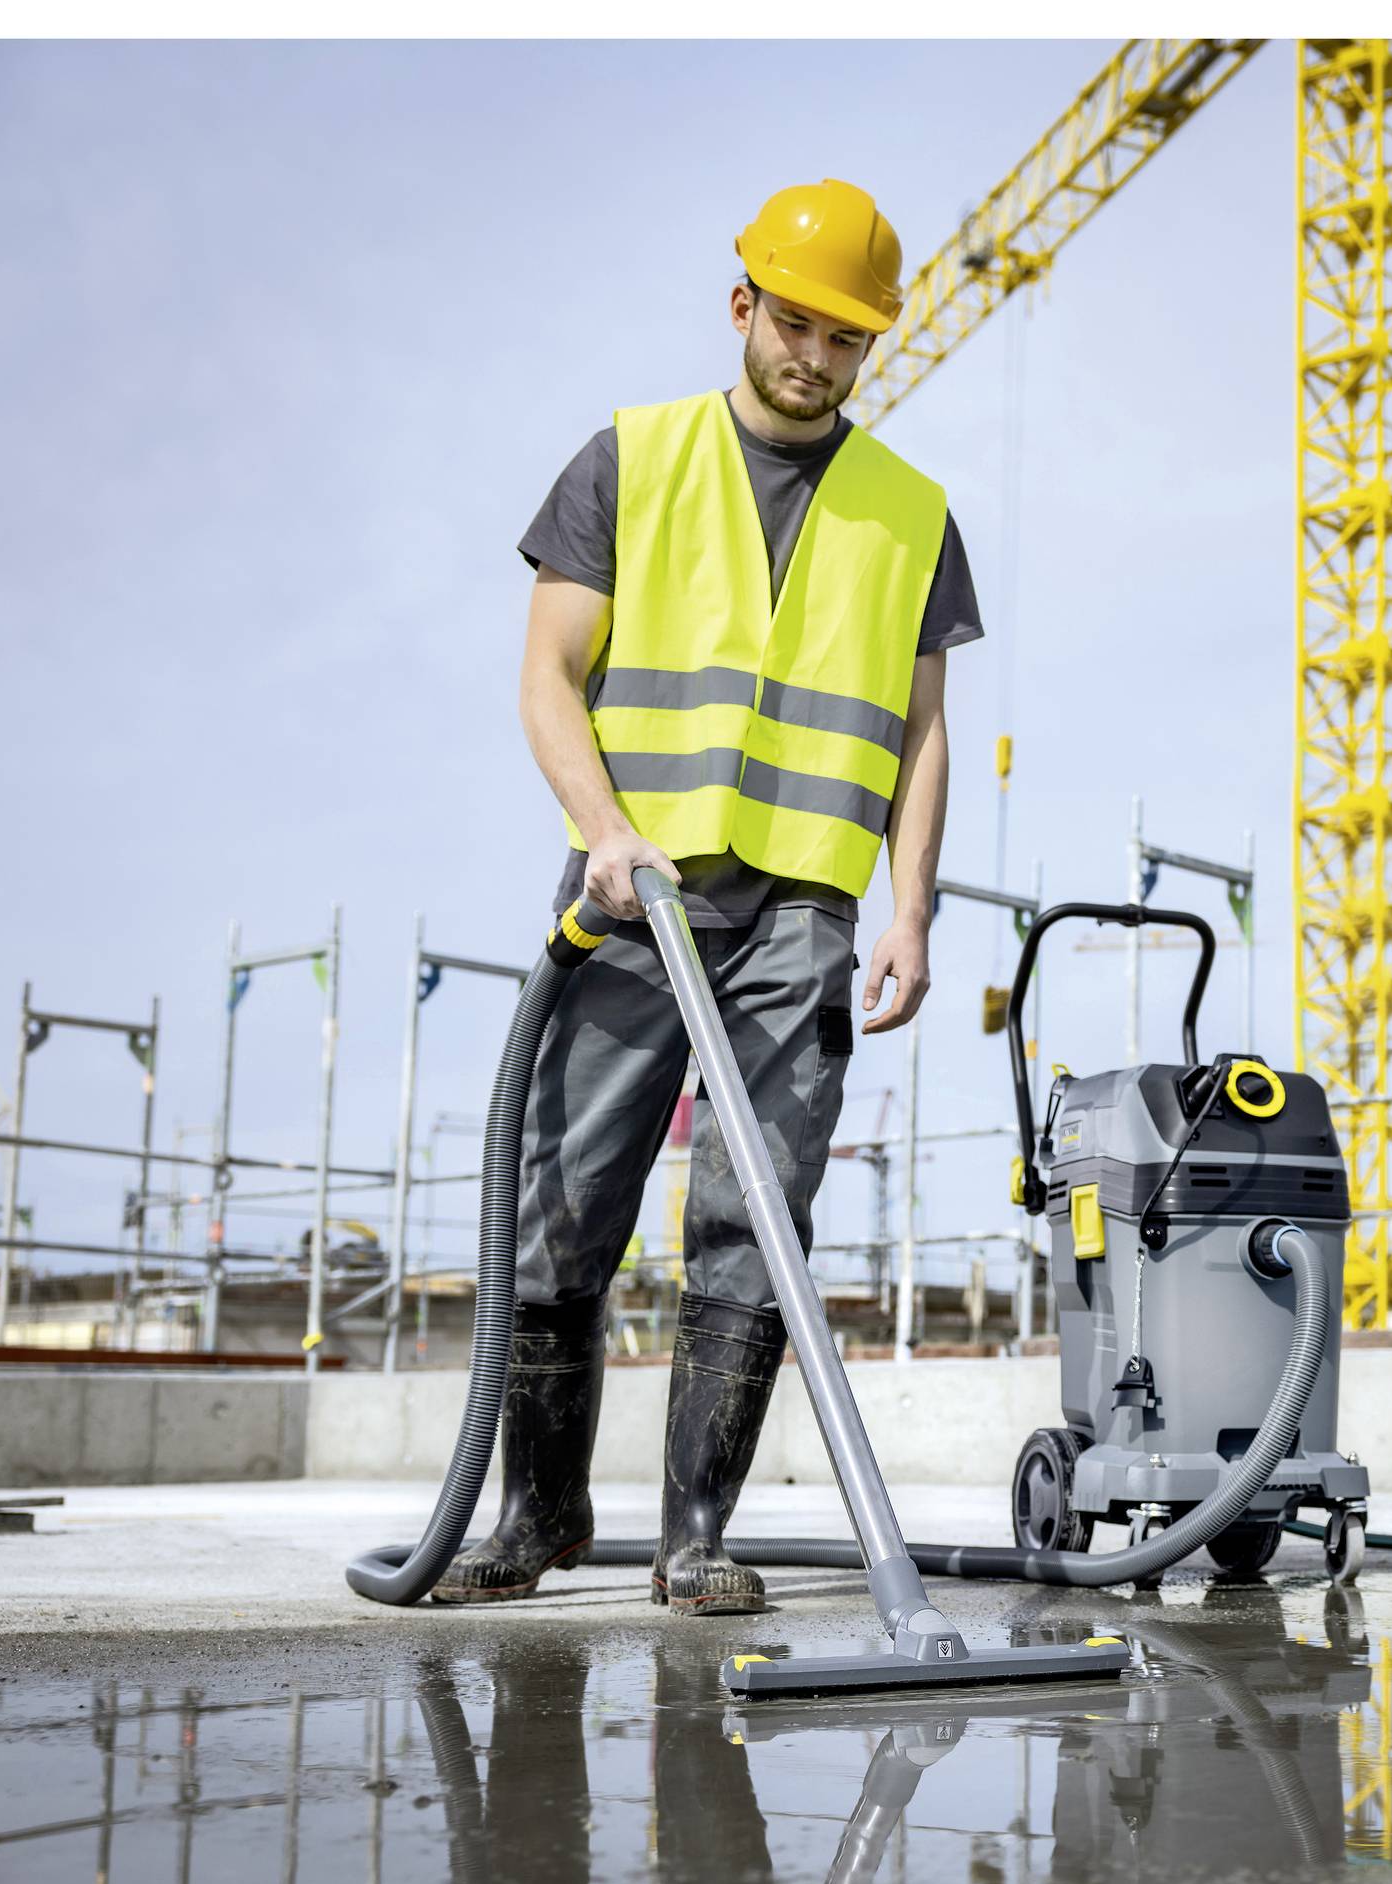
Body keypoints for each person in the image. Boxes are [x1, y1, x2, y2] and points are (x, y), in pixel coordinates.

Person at [431, 178, 981, 1614]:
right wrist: (605, 830)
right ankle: (536, 1516)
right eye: (796, 323)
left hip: (803, 910)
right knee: (566, 1200)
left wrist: (911, 909)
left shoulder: (912, 513)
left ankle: (695, 1538)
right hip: (637, 892)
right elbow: (549, 674)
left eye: (846, 337)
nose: (817, 355)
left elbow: (925, 731)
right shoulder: (632, 459)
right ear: (743, 305)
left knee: (759, 1216)